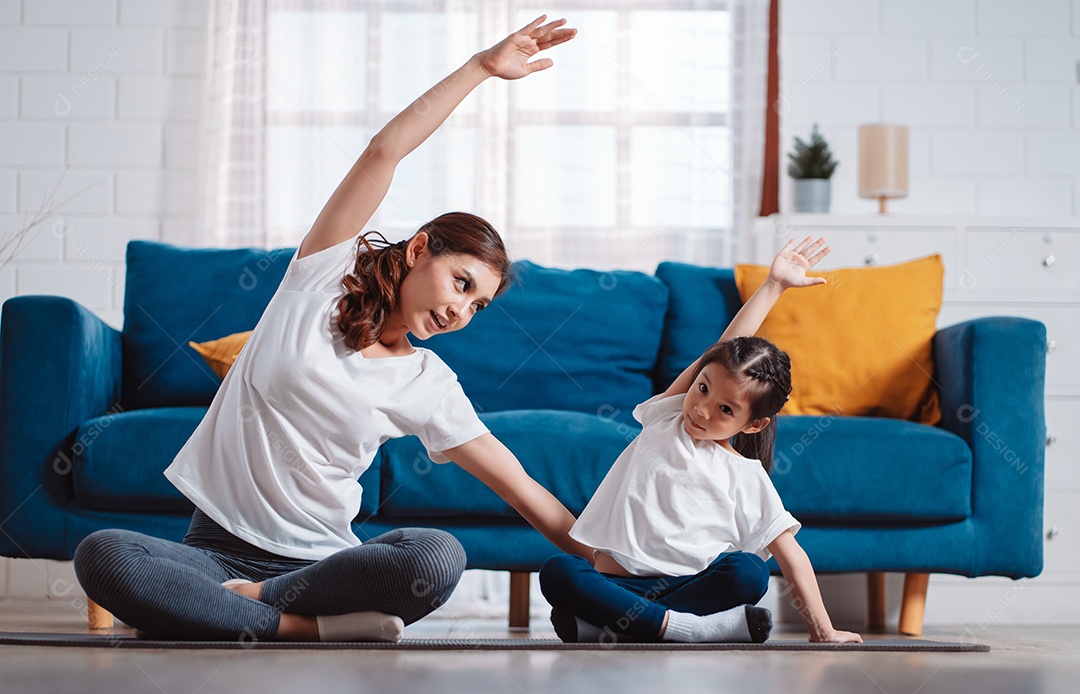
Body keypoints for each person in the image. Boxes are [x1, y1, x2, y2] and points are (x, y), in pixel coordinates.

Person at [73, 16, 586, 644]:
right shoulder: (320, 276)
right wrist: (481, 67)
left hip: (324, 566)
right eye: (460, 282)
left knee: (437, 556)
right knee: (103, 555)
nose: (460, 313)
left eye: (477, 306)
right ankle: (304, 629)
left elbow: (521, 488)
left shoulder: (427, 380)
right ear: (419, 249)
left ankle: (259, 609)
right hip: (212, 552)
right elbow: (384, 152)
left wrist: (610, 560)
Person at [539, 237, 864, 644]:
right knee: (559, 571)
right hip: (618, 585)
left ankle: (617, 626)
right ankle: (687, 629)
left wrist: (823, 629)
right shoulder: (667, 417)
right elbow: (724, 346)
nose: (702, 409)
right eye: (703, 389)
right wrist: (772, 286)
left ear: (753, 425)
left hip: (689, 590)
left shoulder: (746, 476)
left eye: (726, 410)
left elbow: (791, 554)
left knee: (749, 571)